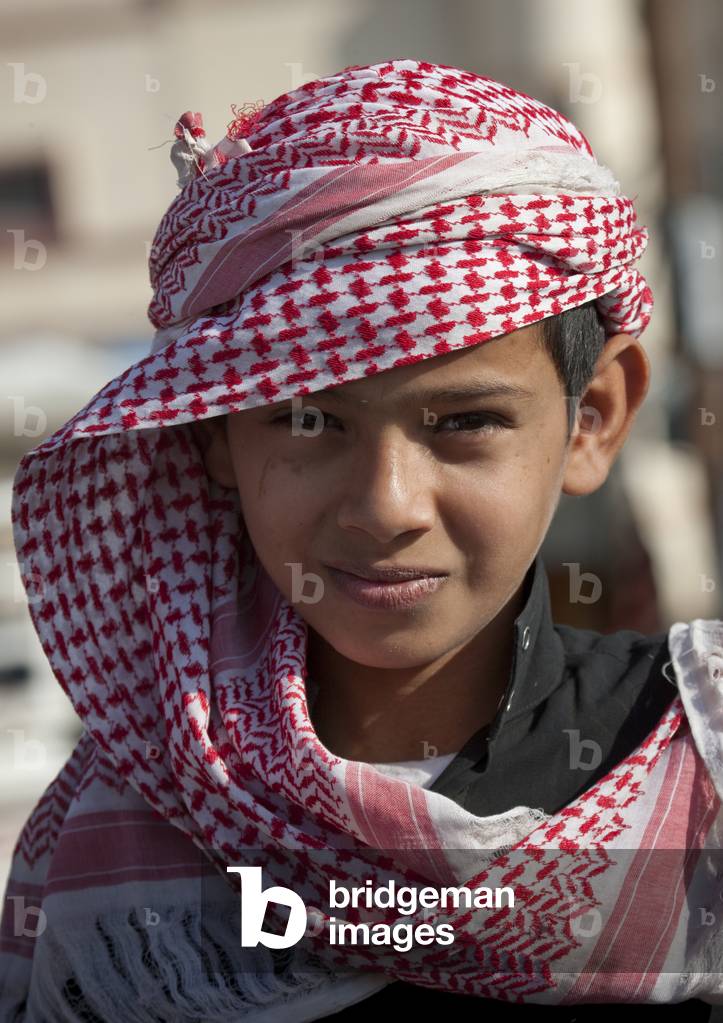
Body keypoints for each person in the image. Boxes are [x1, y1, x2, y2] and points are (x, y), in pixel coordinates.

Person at [1, 58, 721, 1022]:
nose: (386, 507)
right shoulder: (118, 834)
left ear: (590, 418)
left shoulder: (698, 764)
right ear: (214, 436)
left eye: (462, 421)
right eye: (307, 420)